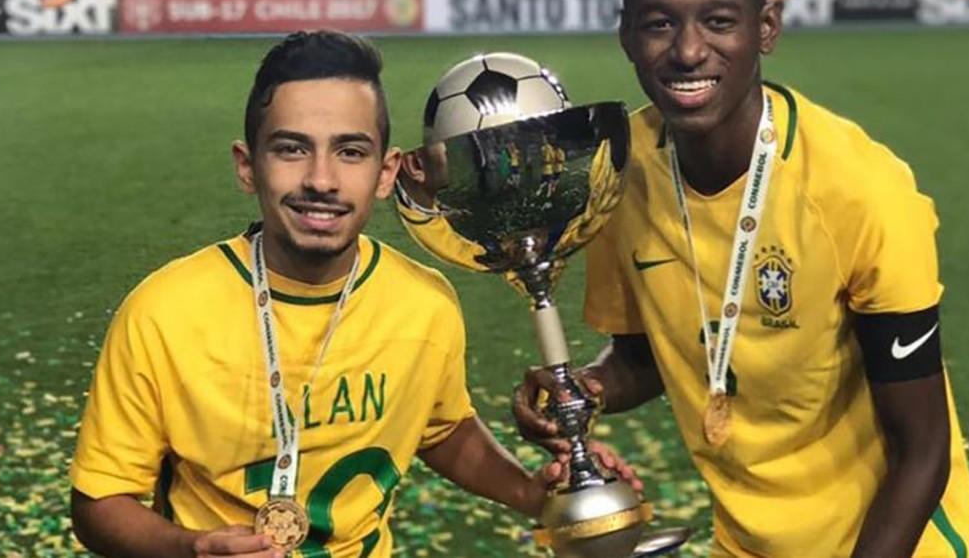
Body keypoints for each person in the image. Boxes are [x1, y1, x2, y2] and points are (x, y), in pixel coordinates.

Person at [513, 0, 969, 558]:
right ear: (625, 33)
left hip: (894, 540)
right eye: (658, 23)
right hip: (747, 541)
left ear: (766, 27)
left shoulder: (862, 191)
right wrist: (585, 392)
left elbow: (922, 451)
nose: (688, 50)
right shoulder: (619, 174)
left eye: (719, 21)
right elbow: (642, 359)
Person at [69, 30, 635, 558]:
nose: (321, 179)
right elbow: (98, 506)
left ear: (387, 173)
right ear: (248, 166)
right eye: (292, 149)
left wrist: (539, 494)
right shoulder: (165, 310)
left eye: (350, 151)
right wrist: (192, 549)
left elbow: (441, 430)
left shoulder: (424, 304)